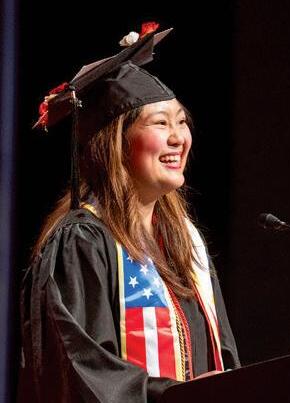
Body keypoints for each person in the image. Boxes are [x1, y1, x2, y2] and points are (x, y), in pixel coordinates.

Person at [18, 22, 240, 403]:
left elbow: (224, 361)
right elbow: (83, 371)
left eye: (181, 122)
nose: (178, 137)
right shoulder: (82, 242)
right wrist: (176, 397)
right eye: (160, 123)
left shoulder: (186, 246)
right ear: (116, 144)